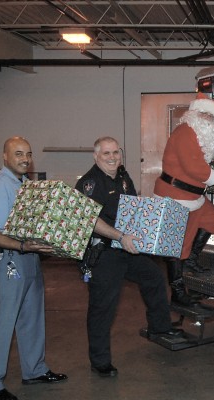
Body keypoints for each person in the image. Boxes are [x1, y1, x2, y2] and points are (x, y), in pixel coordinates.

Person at [75, 136, 184, 378]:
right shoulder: (88, 184)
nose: (113, 157)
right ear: (96, 156)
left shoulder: (123, 177)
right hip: (103, 254)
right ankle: (100, 361)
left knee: (154, 277)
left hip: (125, 247)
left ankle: (159, 328)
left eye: (116, 152)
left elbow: (133, 208)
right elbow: (90, 221)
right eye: (106, 153)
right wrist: (120, 235)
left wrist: (152, 225)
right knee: (103, 308)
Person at [0, 136, 68, 400]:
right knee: (1, 324)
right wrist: (23, 245)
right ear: (5, 157)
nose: (24, 158)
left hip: (29, 258)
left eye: (27, 154)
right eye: (18, 154)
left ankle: (34, 370)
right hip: (7, 261)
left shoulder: (28, 187)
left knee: (32, 318)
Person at [153, 93, 214, 306]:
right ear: (193, 113)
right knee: (177, 246)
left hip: (193, 196)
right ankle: (178, 293)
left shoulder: (198, 136)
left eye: (210, 116)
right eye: (203, 113)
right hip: (175, 197)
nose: (206, 118)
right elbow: (193, 165)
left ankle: (190, 262)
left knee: (211, 218)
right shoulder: (185, 132)